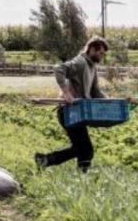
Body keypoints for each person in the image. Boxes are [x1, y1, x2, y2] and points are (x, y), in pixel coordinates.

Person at [35, 36, 109, 172]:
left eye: (103, 54)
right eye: (100, 53)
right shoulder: (80, 62)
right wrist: (66, 93)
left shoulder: (92, 67)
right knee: (86, 150)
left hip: (78, 111)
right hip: (69, 111)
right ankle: (81, 179)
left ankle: (44, 160)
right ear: (92, 49)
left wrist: (110, 101)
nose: (102, 56)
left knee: (81, 148)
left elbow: (96, 91)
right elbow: (59, 69)